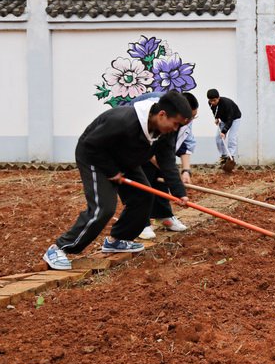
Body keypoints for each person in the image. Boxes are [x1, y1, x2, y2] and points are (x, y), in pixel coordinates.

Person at [42, 91, 192, 270]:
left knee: (144, 196)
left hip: (124, 157)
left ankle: (118, 239)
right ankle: (59, 248)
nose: (175, 129)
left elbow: (166, 161)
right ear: (162, 115)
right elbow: (90, 145)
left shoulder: (165, 132)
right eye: (175, 124)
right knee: (103, 208)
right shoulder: (123, 120)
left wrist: (179, 194)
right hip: (94, 156)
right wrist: (111, 171)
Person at [134, 92, 199, 239]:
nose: (190, 122)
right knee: (144, 181)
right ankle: (142, 223)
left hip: (161, 149)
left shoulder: (184, 120)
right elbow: (139, 137)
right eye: (189, 118)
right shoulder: (155, 108)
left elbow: (186, 144)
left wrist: (185, 170)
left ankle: (164, 215)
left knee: (162, 177)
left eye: (193, 117)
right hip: (138, 147)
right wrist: (160, 162)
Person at [207, 89, 241, 169]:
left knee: (231, 138)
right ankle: (224, 156)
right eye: (211, 101)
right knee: (218, 139)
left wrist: (224, 131)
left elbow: (230, 119)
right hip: (224, 119)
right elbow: (214, 110)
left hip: (234, 118)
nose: (212, 103)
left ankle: (230, 156)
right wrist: (216, 118)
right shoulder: (210, 103)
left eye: (214, 100)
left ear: (218, 98)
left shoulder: (227, 103)